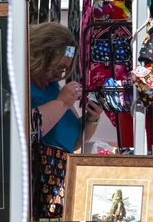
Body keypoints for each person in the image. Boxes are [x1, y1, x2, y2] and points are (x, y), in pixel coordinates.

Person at [30, 22, 103, 153]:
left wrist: (91, 119)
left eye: (65, 68)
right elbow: (27, 132)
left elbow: (74, 143)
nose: (60, 74)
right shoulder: (20, 87)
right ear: (40, 56)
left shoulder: (53, 88)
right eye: (59, 66)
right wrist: (62, 103)